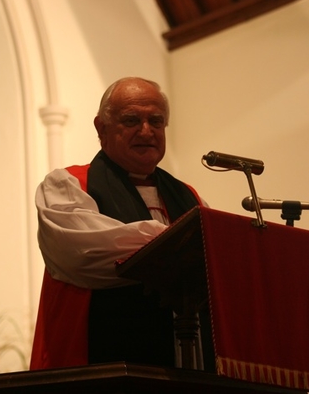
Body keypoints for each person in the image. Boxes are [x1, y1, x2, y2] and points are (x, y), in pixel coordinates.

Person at [29, 77, 212, 371]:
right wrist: (177, 243)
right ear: (102, 128)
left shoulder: (189, 197)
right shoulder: (69, 185)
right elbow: (84, 256)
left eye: (156, 121)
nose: (146, 131)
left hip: (186, 364)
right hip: (98, 365)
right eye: (131, 120)